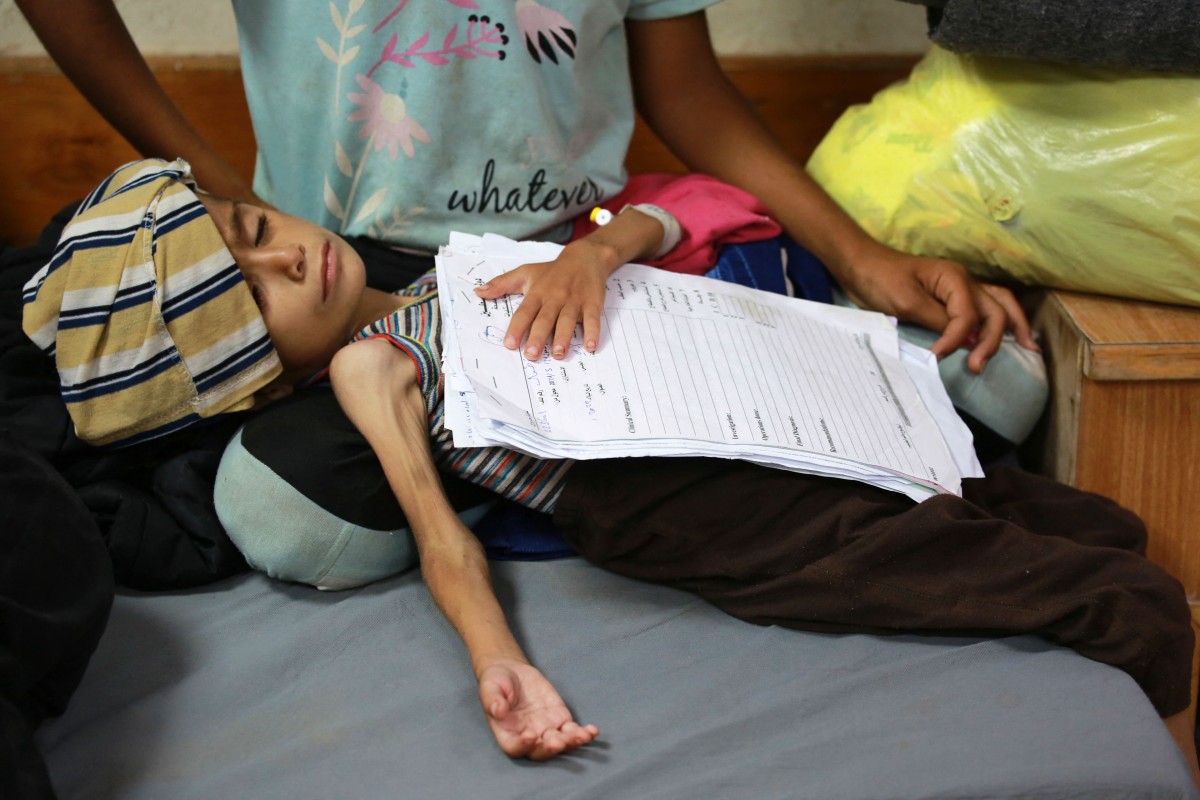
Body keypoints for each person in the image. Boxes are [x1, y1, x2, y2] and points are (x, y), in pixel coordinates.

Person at [23, 160, 1197, 771]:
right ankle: (1147, 635)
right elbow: (441, 534)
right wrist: (503, 667)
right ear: (252, 379)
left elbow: (657, 221)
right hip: (665, 501)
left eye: (252, 226)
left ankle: (1121, 562)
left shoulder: (453, 253)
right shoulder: (363, 372)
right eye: (257, 295)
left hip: (745, 382)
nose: (290, 255)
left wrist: (594, 256)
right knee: (907, 561)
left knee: (1015, 492)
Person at [14, 0, 1038, 374]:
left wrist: (865, 257)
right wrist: (211, 178)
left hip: (585, 255)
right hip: (349, 276)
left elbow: (681, 82)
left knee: (983, 384)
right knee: (297, 512)